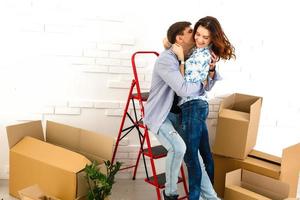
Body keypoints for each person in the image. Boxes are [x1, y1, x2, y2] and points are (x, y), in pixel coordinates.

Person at [143, 21, 218, 200]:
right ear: (180, 38)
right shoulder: (166, 60)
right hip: (161, 115)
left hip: (179, 114)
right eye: (191, 32)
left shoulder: (190, 53)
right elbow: (183, 90)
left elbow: (209, 83)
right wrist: (202, 85)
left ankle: (212, 197)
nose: (196, 36)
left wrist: (212, 71)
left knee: (196, 155)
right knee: (179, 148)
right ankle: (170, 193)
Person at [172, 16, 235, 200]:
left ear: (212, 39)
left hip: (192, 106)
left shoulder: (202, 55)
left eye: (205, 38)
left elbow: (184, 84)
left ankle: (197, 197)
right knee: (204, 154)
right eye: (197, 34)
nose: (199, 40)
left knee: (192, 157)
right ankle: (210, 195)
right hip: (198, 105)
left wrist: (181, 61)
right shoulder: (201, 52)